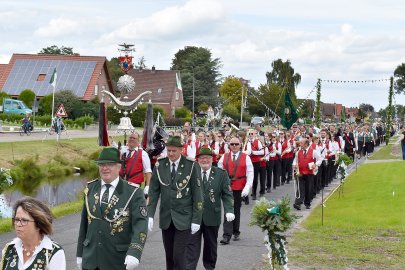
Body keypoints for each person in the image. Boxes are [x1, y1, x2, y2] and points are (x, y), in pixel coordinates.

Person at [76, 147, 148, 270]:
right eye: (102, 164)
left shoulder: (133, 192)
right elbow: (84, 224)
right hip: (91, 258)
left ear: (119, 167)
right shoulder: (90, 188)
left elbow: (140, 224)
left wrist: (135, 252)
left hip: (116, 260)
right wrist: (80, 253)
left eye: (110, 164)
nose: (105, 168)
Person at [147, 136, 204, 270]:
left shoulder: (191, 165)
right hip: (166, 217)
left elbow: (198, 194)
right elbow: (154, 192)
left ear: (181, 150)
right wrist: (149, 214)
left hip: (184, 217)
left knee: (179, 255)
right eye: (169, 150)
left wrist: (197, 219)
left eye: (174, 151)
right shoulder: (160, 164)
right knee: (169, 255)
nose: (171, 154)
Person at [185, 148, 234, 270]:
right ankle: (189, 267)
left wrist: (229, 210)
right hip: (194, 216)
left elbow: (227, 194)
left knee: (211, 246)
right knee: (191, 245)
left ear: (212, 159)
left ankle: (209, 267)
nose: (204, 160)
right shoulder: (192, 172)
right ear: (198, 160)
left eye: (207, 158)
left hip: (212, 216)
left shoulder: (221, 174)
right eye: (202, 158)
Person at [1, 197, 66, 270]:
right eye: (16, 219)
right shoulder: (9, 249)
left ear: (38, 225)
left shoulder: (54, 253)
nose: (18, 224)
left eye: (24, 220)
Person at [218, 137, 253, 244]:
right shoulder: (224, 156)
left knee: (236, 209)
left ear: (240, 145)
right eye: (232, 144)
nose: (234, 146)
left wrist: (247, 187)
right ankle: (226, 235)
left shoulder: (246, 157)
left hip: (239, 187)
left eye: (236, 144)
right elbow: (219, 172)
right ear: (229, 145)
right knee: (228, 209)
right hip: (227, 187)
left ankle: (236, 230)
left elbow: (250, 173)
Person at [293, 138, 322, 210]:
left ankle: (307, 203)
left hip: (309, 173)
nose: (300, 145)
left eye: (301, 143)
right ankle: (298, 203)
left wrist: (316, 164)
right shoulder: (298, 152)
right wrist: (294, 165)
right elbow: (295, 160)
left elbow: (319, 159)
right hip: (300, 173)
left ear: (306, 144)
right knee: (300, 188)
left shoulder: (313, 151)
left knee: (308, 188)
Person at [120, 132, 152, 196]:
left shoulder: (143, 154)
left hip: (134, 185)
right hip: (121, 183)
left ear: (138, 141)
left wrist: (147, 186)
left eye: (134, 138)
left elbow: (148, 171)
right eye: (130, 137)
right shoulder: (123, 151)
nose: (131, 139)